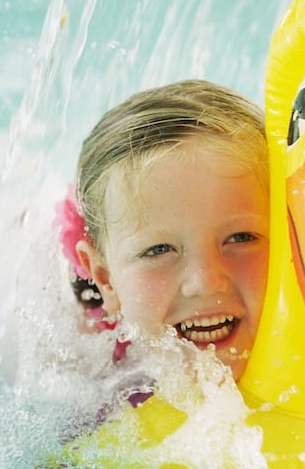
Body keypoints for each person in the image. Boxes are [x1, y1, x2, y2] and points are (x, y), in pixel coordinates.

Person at [57, 79, 269, 381]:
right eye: (158, 250)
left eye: (240, 237)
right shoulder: (84, 376)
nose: (205, 283)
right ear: (106, 280)